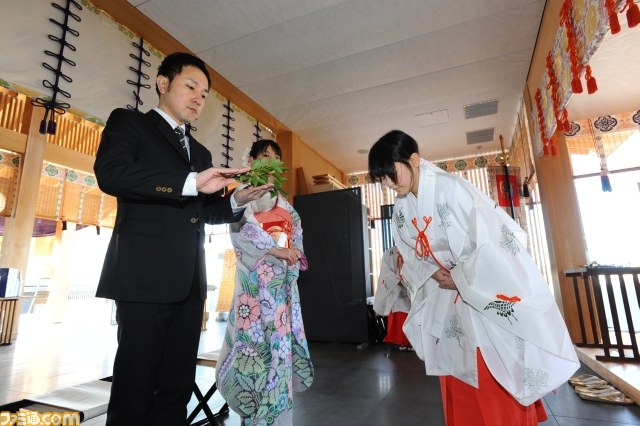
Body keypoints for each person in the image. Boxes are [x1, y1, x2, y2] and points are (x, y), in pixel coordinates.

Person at [93, 52, 273, 425]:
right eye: (191, 86)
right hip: (143, 280)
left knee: (176, 387)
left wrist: (237, 199)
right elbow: (112, 174)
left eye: (204, 94)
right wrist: (190, 182)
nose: (198, 98)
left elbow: (205, 213)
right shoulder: (129, 123)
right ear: (163, 83)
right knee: (135, 387)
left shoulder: (202, 152)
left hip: (189, 284)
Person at [367, 130, 579, 426]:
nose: (389, 184)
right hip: (446, 297)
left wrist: (460, 277)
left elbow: (489, 240)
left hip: (479, 292)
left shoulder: (451, 188)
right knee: (457, 370)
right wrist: (430, 270)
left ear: (413, 159)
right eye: (382, 180)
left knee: (490, 371)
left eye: (391, 174)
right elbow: (409, 253)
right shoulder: (403, 207)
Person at [216, 139, 314, 425]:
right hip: (254, 284)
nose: (271, 161)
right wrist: (274, 250)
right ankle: (253, 411)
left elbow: (296, 231)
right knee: (254, 347)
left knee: (279, 350)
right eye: (265, 156)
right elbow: (240, 228)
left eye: (276, 157)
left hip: (280, 287)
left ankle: (279, 414)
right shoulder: (244, 196)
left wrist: (294, 252)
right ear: (253, 160)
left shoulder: (285, 204)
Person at [373, 245, 412, 351]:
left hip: (409, 290)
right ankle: (402, 343)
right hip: (395, 289)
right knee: (399, 317)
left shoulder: (412, 250)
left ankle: (411, 342)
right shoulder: (388, 253)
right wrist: (398, 280)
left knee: (410, 316)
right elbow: (386, 272)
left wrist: (407, 280)